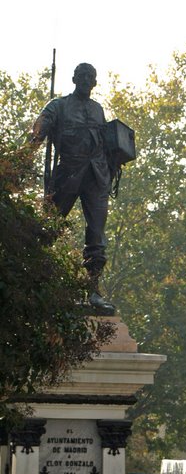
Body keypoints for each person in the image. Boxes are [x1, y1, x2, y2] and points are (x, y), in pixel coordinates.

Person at [31, 63, 116, 314]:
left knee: (97, 235)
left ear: (95, 82)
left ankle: (92, 289)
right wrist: (27, 153)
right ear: (74, 78)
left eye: (91, 77)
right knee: (48, 228)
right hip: (67, 173)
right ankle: (35, 279)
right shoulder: (58, 105)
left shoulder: (98, 109)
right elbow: (38, 132)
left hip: (96, 176)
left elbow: (106, 142)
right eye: (82, 76)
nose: (86, 80)